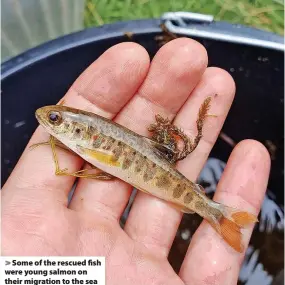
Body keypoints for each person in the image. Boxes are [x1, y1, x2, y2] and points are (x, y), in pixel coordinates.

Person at [1, 38, 270, 285]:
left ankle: (216, 212)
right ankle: (217, 212)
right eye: (55, 119)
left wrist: (21, 272)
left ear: (83, 132)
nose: (47, 119)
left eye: (55, 120)